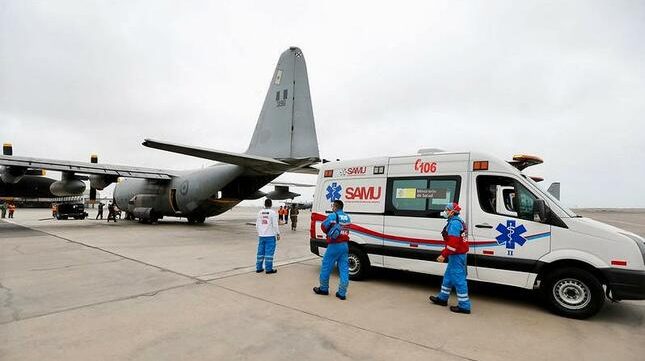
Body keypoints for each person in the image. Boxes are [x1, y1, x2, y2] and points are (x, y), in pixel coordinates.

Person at [429, 202, 471, 314]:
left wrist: (443, 255)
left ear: (452, 212)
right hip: (456, 254)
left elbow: (453, 244)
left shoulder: (454, 224)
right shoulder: (457, 221)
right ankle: (442, 298)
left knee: (459, 279)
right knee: (448, 277)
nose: (445, 211)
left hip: (457, 255)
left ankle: (464, 306)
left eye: (447, 209)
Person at [313, 200, 351, 300]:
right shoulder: (347, 217)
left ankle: (323, 288)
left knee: (326, 265)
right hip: (345, 246)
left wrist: (329, 232)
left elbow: (323, 226)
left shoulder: (333, 216)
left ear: (336, 207)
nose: (332, 207)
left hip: (334, 245)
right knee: (344, 269)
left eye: (333, 206)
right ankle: (342, 293)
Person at [255, 198, 280, 274]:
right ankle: (268, 269)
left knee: (260, 252)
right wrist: (278, 233)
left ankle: (259, 268)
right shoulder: (272, 213)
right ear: (271, 204)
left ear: (264, 204)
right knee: (269, 253)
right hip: (270, 236)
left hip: (261, 236)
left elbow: (257, 225)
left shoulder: (260, 212)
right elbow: (275, 225)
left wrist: (260, 232)